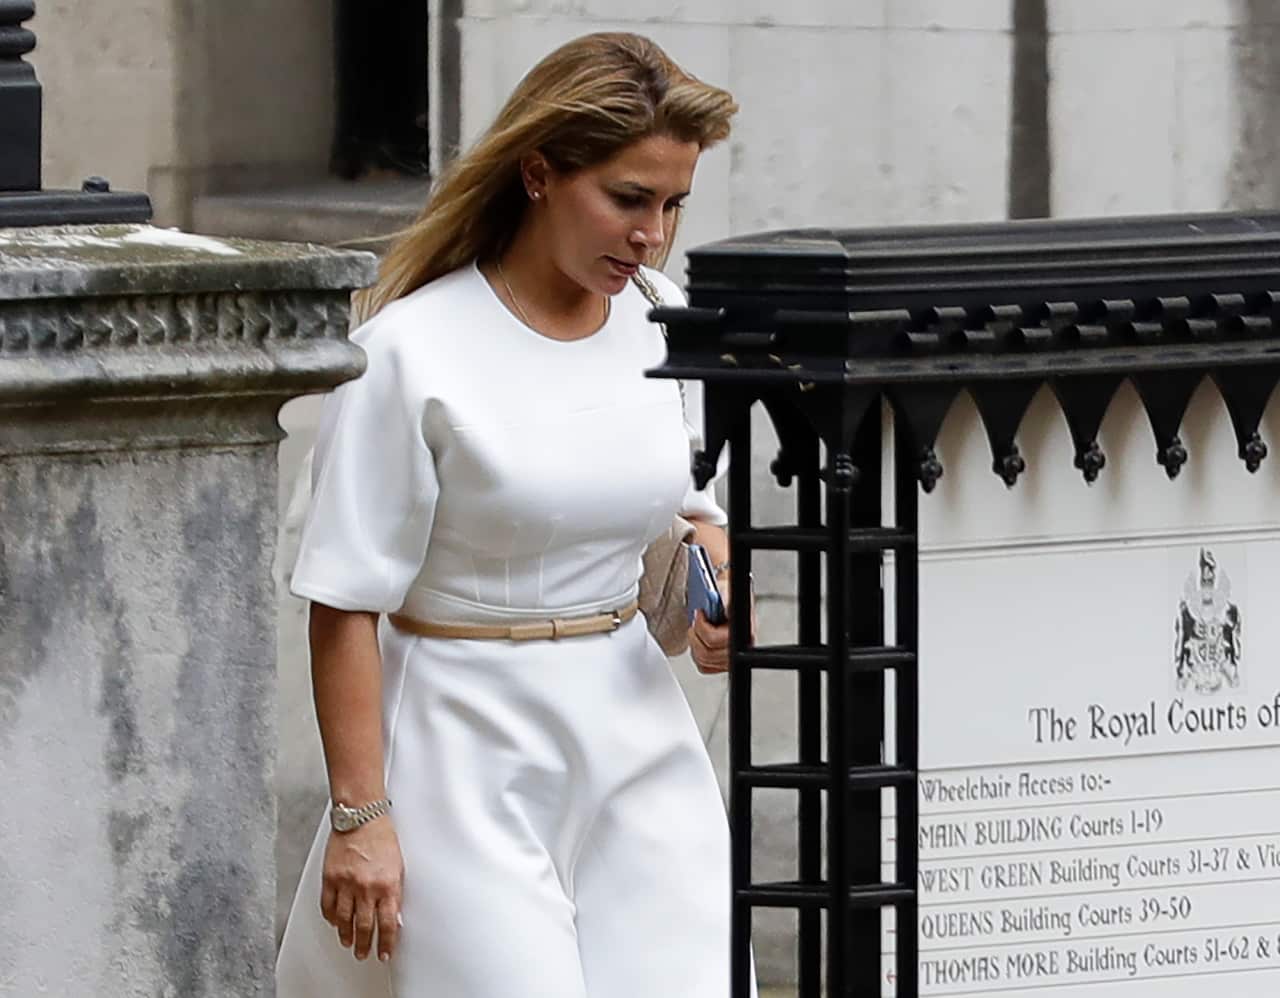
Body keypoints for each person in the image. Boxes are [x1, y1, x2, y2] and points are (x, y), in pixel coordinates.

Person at [275, 32, 753, 998]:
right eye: (628, 199)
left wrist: (716, 582)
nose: (653, 235)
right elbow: (344, 601)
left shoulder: (666, 318)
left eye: (672, 205)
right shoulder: (410, 350)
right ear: (538, 173)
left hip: (635, 728)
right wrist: (361, 819)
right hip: (461, 740)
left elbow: (695, 509)